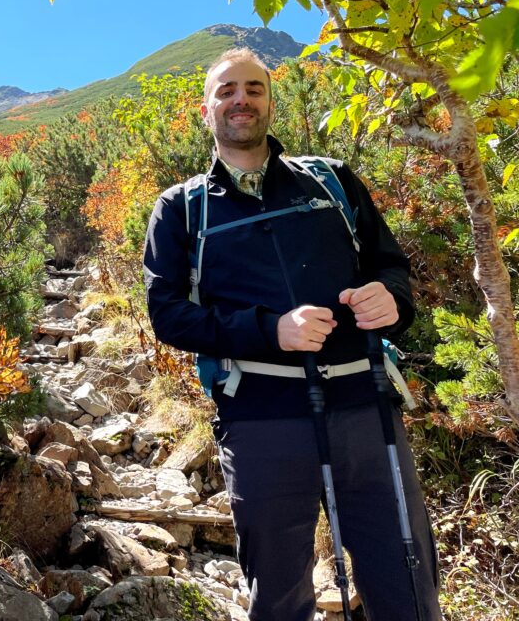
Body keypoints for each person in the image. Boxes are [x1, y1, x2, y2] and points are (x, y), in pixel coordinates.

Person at [142, 48, 441, 621]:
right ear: (206, 110)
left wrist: (391, 299)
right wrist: (271, 330)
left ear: (271, 103)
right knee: (278, 593)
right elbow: (168, 315)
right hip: (260, 421)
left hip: (366, 408)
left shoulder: (332, 181)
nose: (241, 100)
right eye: (227, 90)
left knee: (408, 583)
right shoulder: (181, 209)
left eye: (254, 89)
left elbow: (390, 266)